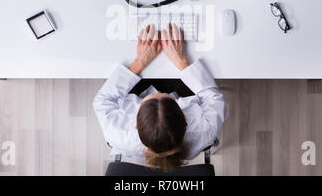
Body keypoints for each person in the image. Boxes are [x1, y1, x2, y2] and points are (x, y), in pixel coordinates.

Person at [93, 23, 227, 171]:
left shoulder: (117, 132)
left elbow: (103, 100)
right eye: (165, 97)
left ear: (136, 125)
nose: (156, 93)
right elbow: (213, 97)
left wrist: (140, 61)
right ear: (186, 121)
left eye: (150, 98)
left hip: (138, 90)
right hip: (182, 93)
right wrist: (180, 60)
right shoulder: (205, 131)